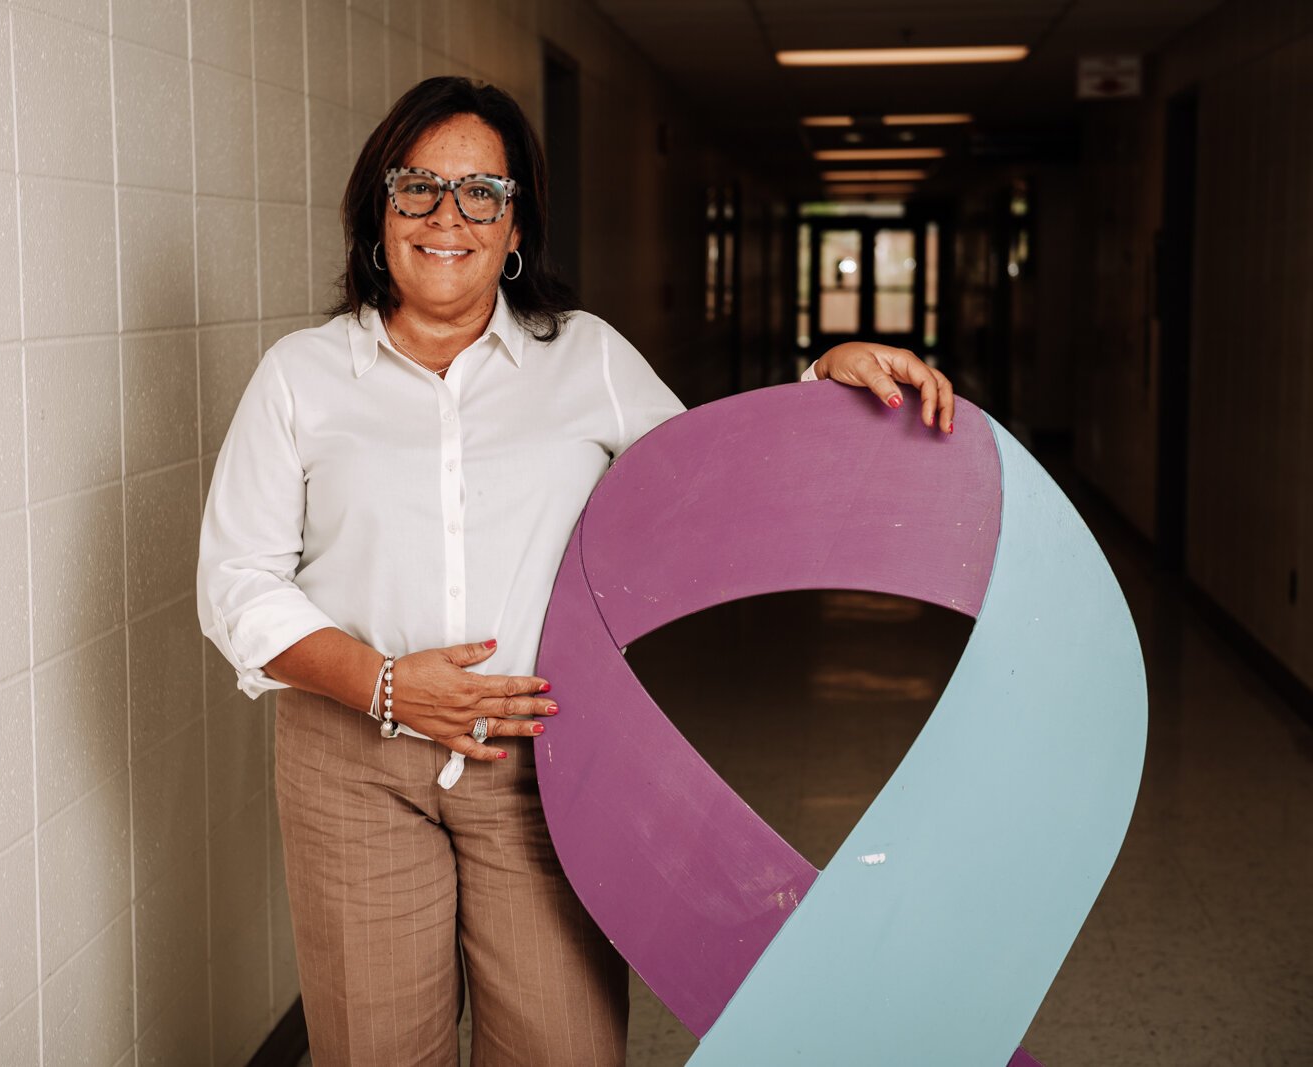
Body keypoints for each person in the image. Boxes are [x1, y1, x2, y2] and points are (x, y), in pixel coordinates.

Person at [198, 76, 954, 1067]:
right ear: (376, 211)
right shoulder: (300, 376)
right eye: (416, 186)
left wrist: (822, 380)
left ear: (516, 229)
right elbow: (238, 582)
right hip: (352, 763)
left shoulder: (584, 357)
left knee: (565, 1046)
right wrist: (386, 685)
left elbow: (709, 489)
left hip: (549, 764)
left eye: (482, 193)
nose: (447, 216)